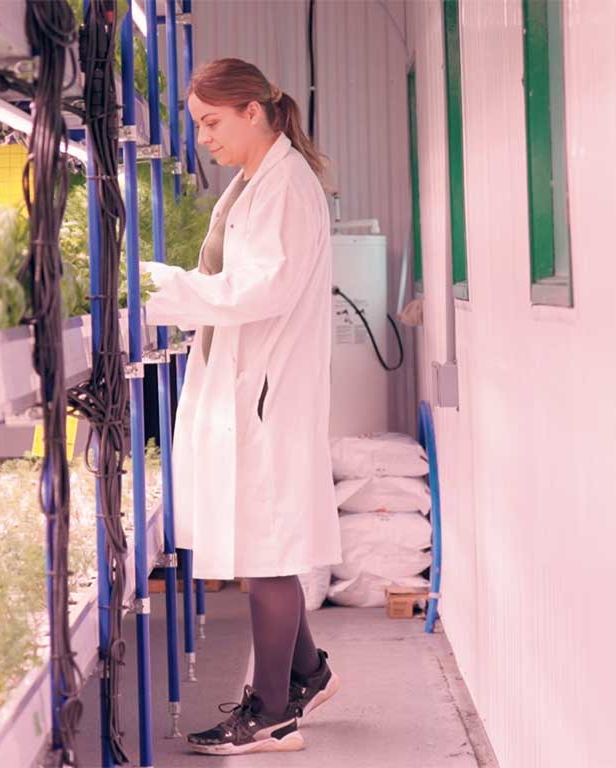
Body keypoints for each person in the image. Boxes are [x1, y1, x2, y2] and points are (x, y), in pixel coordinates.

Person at [142, 58, 342, 756]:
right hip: (251, 385)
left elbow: (257, 291)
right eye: (198, 125)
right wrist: (173, 284)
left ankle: (273, 713)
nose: (203, 138)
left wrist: (165, 291)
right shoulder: (257, 181)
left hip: (266, 393)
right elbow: (232, 279)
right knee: (264, 541)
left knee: (266, 553)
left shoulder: (283, 187)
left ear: (253, 110)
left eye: (211, 122)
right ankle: (309, 675)